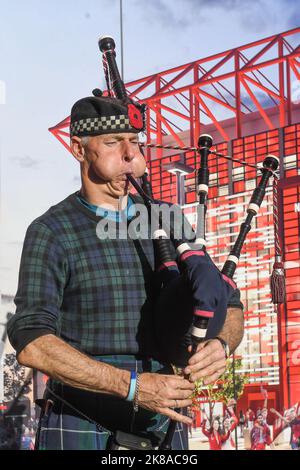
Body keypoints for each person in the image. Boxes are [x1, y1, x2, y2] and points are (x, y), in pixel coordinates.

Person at [7, 94, 244, 450]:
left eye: (134, 141)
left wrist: (222, 343)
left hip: (163, 420)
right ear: (79, 149)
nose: (131, 155)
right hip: (83, 418)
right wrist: (132, 386)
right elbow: (31, 341)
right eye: (113, 142)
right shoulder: (52, 230)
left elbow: (230, 301)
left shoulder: (165, 218)